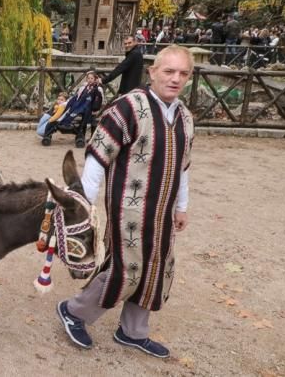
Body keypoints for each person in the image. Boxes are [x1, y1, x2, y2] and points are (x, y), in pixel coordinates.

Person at [56, 45, 195, 360]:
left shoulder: (185, 117)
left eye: (182, 73)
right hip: (128, 211)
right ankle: (73, 312)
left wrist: (182, 206)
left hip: (163, 214)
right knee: (125, 269)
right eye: (168, 71)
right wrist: (82, 207)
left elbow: (184, 166)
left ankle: (132, 332)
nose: (175, 79)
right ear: (153, 72)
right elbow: (98, 158)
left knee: (156, 269)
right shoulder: (128, 108)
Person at [41, 71, 104, 148]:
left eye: (92, 78)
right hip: (79, 106)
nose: (90, 80)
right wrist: (68, 103)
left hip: (88, 108)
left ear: (95, 79)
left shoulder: (97, 89)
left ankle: (81, 134)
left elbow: (99, 101)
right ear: (86, 79)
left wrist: (94, 108)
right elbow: (76, 98)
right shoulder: (83, 88)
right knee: (65, 112)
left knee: (79, 116)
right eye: (88, 78)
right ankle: (78, 133)